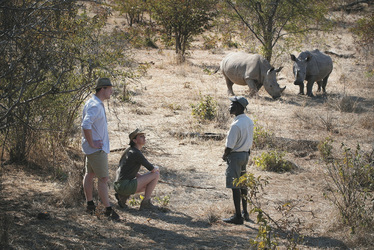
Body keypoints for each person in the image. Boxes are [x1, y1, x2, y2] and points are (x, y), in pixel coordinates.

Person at [81, 77, 120, 221]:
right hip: (96, 150)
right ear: (102, 89)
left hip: (93, 149)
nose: (111, 91)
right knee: (103, 179)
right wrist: (92, 143)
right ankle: (108, 209)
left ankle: (90, 204)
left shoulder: (94, 103)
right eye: (109, 89)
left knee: (89, 175)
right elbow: (86, 125)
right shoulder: (95, 105)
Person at [222, 96, 254, 225]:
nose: (230, 106)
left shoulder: (236, 125)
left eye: (232, 104)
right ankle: (245, 212)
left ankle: (238, 216)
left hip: (235, 156)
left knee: (235, 186)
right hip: (245, 155)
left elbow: (229, 146)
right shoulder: (248, 121)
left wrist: (224, 155)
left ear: (239, 107)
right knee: (243, 185)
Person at [114, 129, 160, 210]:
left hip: (118, 185)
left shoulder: (128, 150)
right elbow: (152, 169)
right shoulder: (136, 153)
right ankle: (146, 203)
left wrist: (140, 177)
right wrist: (157, 168)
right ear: (134, 140)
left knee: (148, 186)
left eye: (144, 136)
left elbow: (126, 169)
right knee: (156, 174)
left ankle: (122, 196)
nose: (144, 138)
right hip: (125, 185)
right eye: (141, 136)